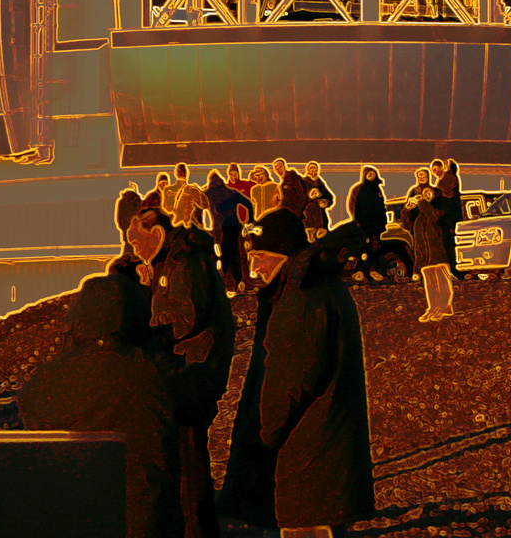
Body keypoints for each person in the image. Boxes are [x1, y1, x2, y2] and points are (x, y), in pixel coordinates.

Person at [219, 208, 375, 536]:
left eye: (262, 257)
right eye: (251, 257)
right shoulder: (317, 286)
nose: (253, 268)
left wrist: (261, 438)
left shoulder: (301, 297)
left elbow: (288, 382)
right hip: (321, 459)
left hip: (305, 466)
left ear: (285, 255)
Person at [17, 272, 182, 538]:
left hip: (70, 513)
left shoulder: (48, 378)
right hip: (141, 518)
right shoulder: (151, 371)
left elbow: (30, 417)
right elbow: (193, 401)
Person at [126, 198, 235, 538]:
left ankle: (197, 528)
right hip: (194, 363)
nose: (132, 248)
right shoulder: (174, 260)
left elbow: (186, 316)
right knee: (186, 450)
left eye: (134, 240)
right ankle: (195, 524)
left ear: (155, 232)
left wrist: (147, 330)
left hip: (193, 368)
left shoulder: (184, 262)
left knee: (187, 452)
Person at [406, 166, 453, 321]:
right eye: (418, 175)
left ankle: (445, 306)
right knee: (428, 278)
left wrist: (424, 202)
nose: (421, 177)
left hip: (435, 242)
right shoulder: (414, 194)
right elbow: (407, 222)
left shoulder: (436, 196)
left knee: (441, 275)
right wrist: (407, 209)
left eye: (423, 175)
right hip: (422, 242)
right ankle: (433, 306)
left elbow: (434, 217)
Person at [204, 168, 254, 295]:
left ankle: (224, 284)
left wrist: (201, 226)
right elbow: (248, 203)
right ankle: (240, 281)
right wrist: (250, 220)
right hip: (234, 226)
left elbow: (197, 212)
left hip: (217, 229)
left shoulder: (206, 193)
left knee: (221, 257)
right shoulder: (231, 192)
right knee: (236, 254)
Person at [345, 166, 389, 282]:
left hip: (376, 225)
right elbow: (352, 205)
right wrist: (357, 221)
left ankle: (372, 270)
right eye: (368, 174)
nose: (371, 175)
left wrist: (383, 220)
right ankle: (359, 271)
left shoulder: (377, 189)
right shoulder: (359, 189)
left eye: (373, 173)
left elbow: (381, 206)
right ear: (364, 175)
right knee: (363, 248)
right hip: (363, 224)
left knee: (375, 249)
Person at [437, 159, 465, 281]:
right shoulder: (449, 179)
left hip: (449, 221)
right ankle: (454, 271)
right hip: (450, 220)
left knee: (451, 247)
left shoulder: (449, 179)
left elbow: (448, 195)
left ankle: (455, 271)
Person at [302, 161, 335, 239]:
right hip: (308, 216)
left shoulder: (319, 183)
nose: (313, 172)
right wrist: (310, 197)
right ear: (307, 170)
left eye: (315, 170)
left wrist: (325, 202)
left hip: (321, 217)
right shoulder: (303, 182)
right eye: (311, 169)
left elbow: (330, 197)